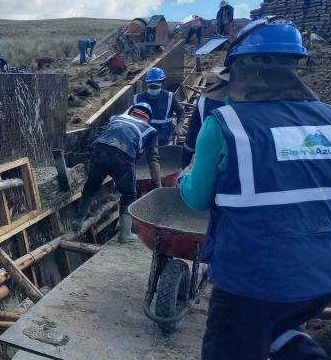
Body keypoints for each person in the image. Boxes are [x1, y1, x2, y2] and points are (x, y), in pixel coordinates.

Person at [179, 17, 331, 360]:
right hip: (319, 274)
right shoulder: (329, 119)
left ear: (239, 67)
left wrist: (192, 174)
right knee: (277, 328)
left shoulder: (227, 123)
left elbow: (194, 199)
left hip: (253, 274)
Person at [72, 102, 161, 242]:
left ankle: (78, 221)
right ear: (147, 117)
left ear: (132, 112)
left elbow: (97, 135)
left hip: (99, 149)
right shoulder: (150, 130)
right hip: (123, 156)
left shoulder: (117, 118)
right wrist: (158, 185)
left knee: (91, 186)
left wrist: (92, 153)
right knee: (129, 193)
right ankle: (125, 234)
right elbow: (153, 159)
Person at [181, 68, 228, 167]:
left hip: (209, 156)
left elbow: (193, 134)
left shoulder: (204, 99)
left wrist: (185, 162)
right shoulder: (248, 101)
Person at [133, 67, 185, 146]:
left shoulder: (169, 97)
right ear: (147, 84)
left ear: (162, 83)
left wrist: (179, 125)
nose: (154, 88)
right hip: (144, 141)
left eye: (156, 86)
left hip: (163, 140)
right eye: (152, 86)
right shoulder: (137, 99)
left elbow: (180, 111)